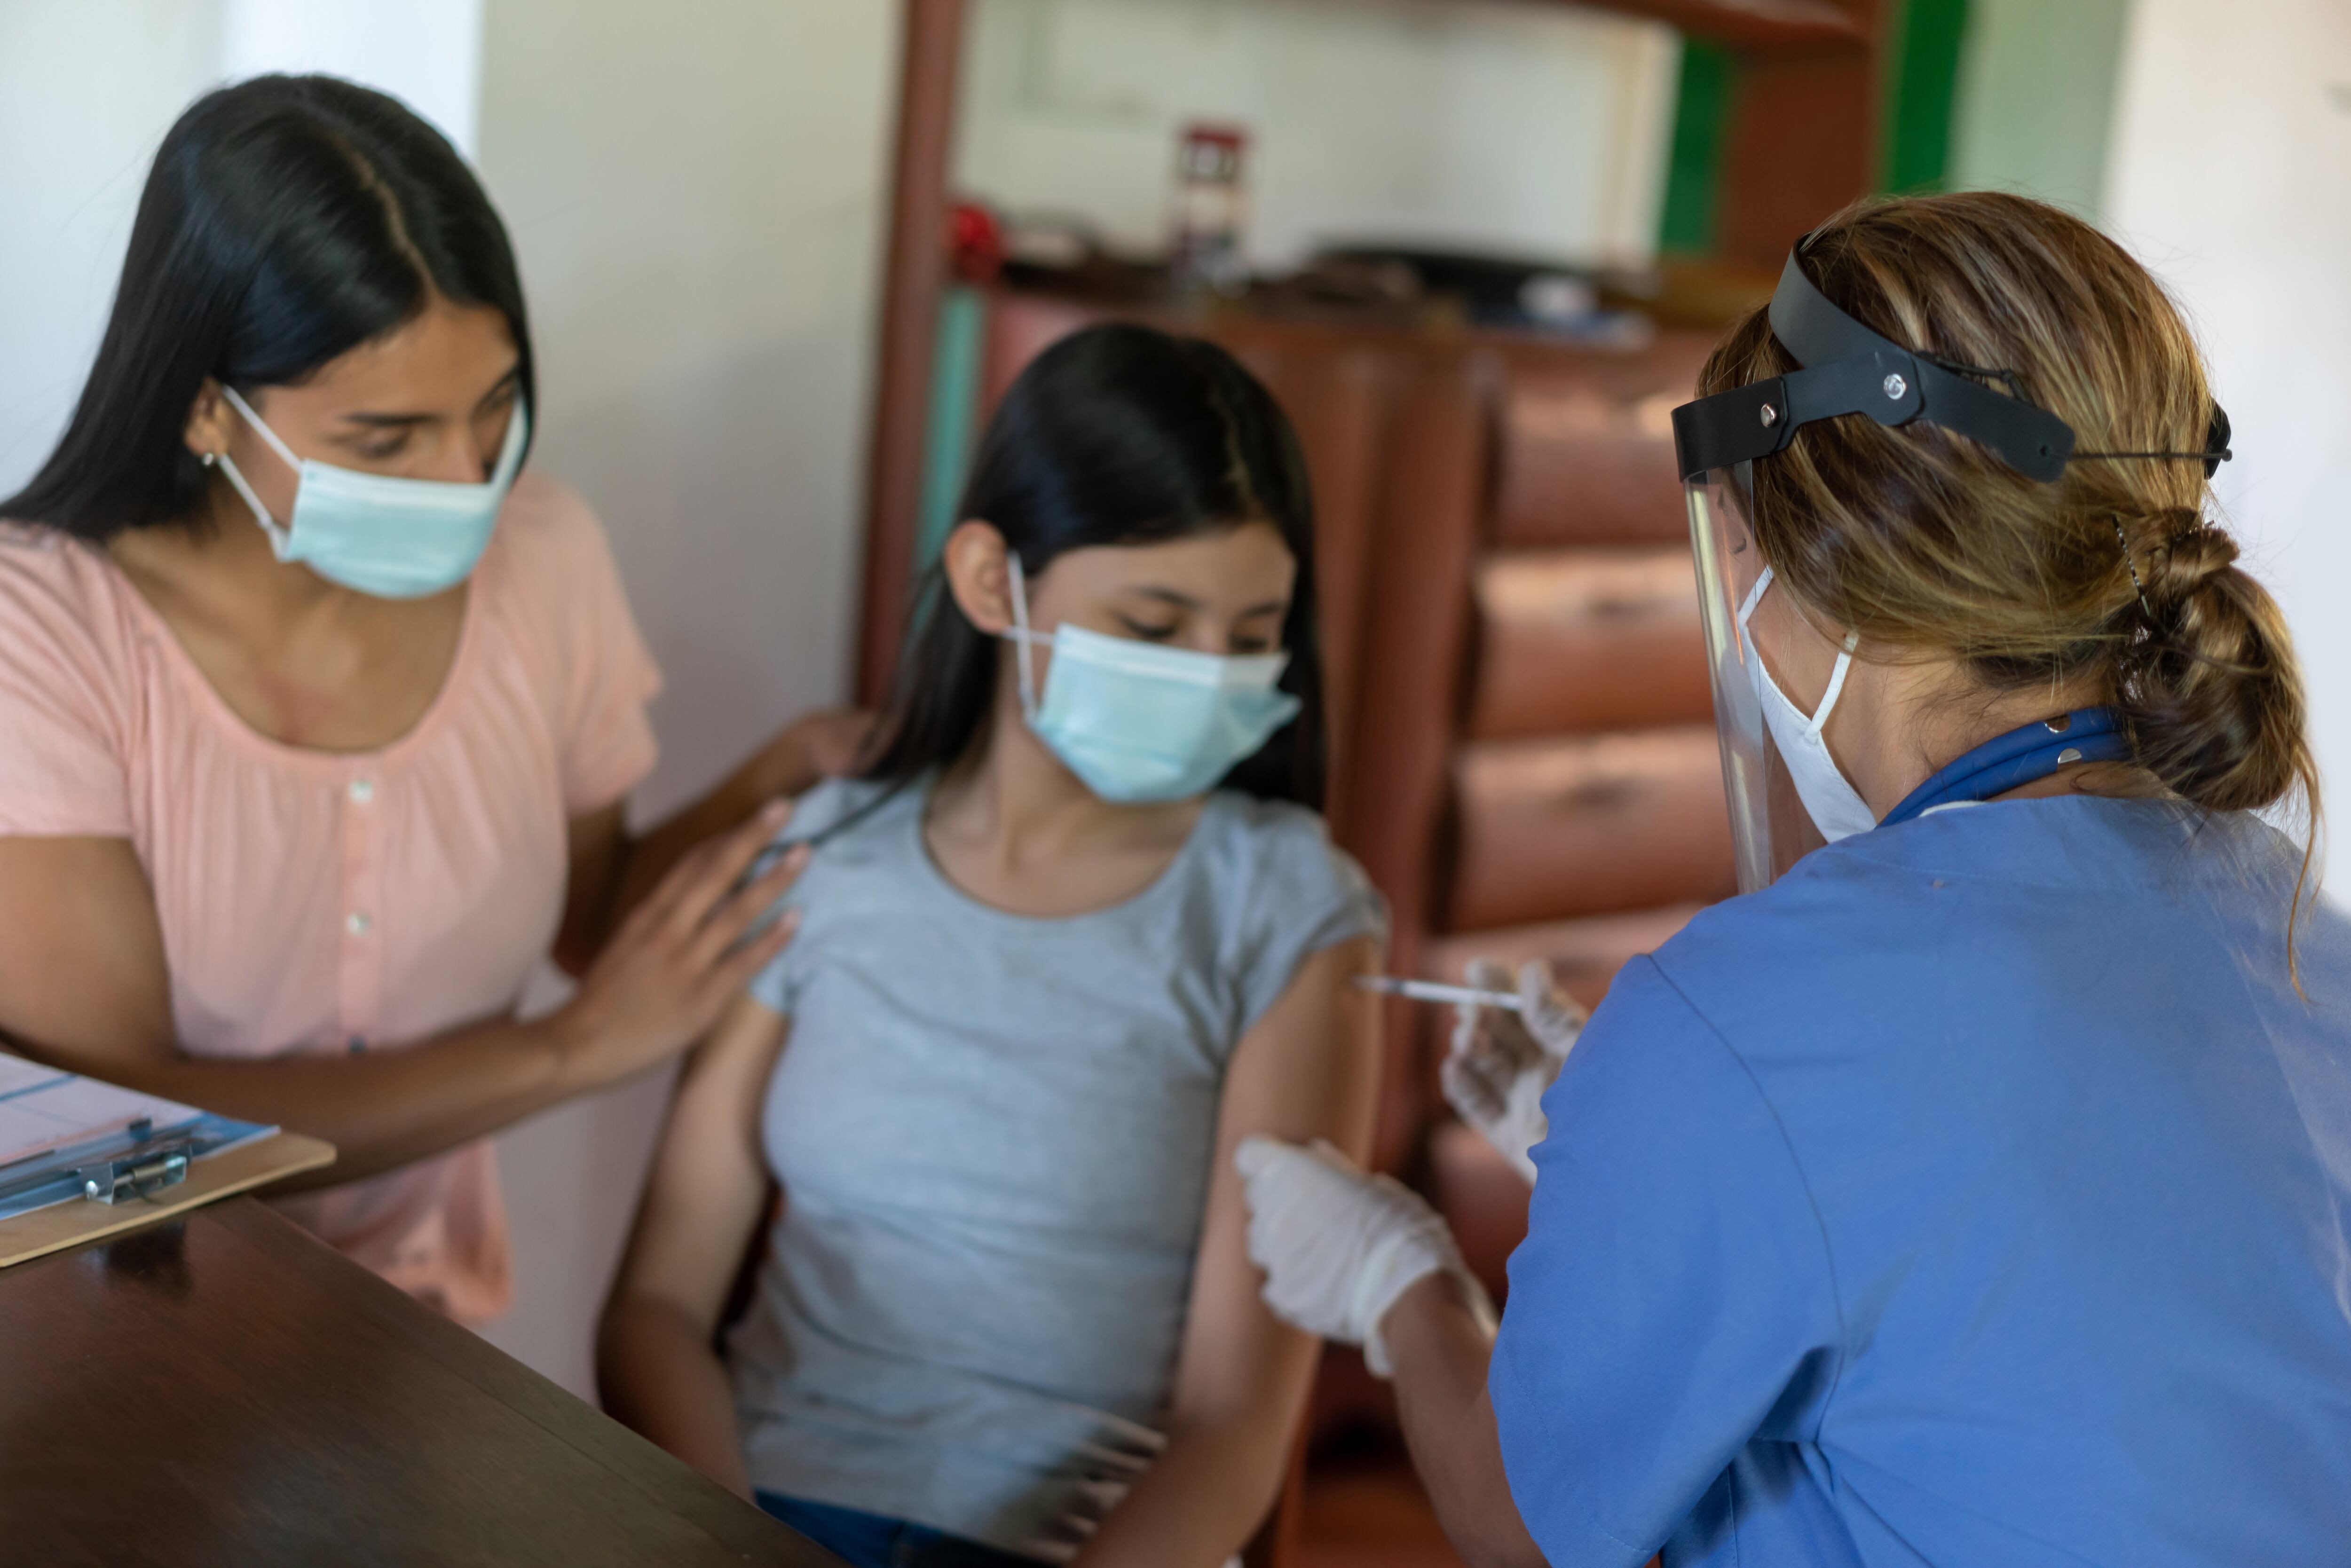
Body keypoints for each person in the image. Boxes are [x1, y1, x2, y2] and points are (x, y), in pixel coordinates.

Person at [1234, 191, 2351, 1567]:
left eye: (1747, 544)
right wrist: (1670, 1146)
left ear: (1828, 576)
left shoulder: (1745, 1017)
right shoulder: (2311, 938)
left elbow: (1525, 1529)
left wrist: (1401, 1287)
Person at [0, 75, 860, 1322]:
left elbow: (593, 920)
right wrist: (567, 1053)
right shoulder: (41, 632)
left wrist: (785, 768)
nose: (467, 482)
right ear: (203, 406)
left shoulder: (547, 554)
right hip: (117, 1345)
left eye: (497, 408)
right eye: (387, 441)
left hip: (414, 1343)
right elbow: (131, 1140)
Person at [599, 323, 1385, 1567]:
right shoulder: (826, 854)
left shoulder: (1287, 913)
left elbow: (1235, 1424)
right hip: (757, 1511)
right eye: (1152, 621)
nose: (1206, 677)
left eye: (1250, 638)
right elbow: (655, 1309)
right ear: (988, 581)